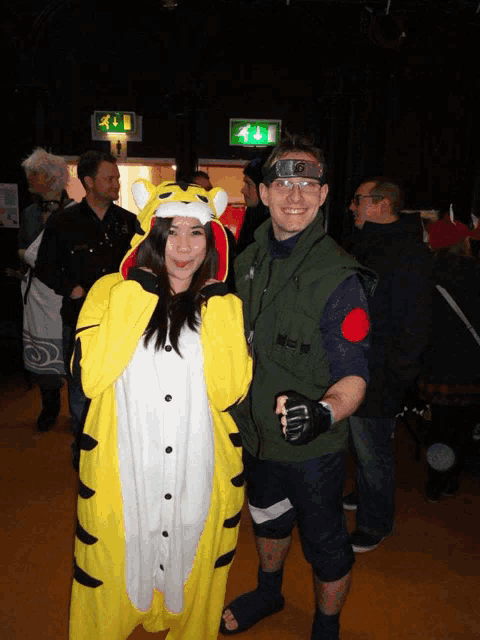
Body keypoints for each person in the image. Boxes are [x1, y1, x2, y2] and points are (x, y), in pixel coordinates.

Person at [68, 179, 252, 640]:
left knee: (190, 576)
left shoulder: (222, 305)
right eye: (172, 231)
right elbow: (91, 376)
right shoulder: (110, 292)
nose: (184, 246)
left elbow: (230, 391)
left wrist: (220, 305)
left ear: (212, 241)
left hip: (196, 471)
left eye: (197, 232)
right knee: (112, 573)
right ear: (151, 235)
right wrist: (139, 293)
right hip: (125, 472)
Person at [221, 135, 377, 640]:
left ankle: (326, 625)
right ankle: (270, 591)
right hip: (254, 438)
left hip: (313, 449)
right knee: (265, 520)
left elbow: (355, 375)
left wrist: (325, 413)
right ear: (262, 193)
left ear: (324, 193)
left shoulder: (338, 277)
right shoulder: (244, 263)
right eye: (283, 183)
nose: (294, 196)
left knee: (325, 542)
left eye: (307, 184)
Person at [342, 178, 433, 552]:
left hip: (380, 372)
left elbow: (415, 322)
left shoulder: (407, 253)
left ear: (380, 206)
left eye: (358, 200)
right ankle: (365, 495)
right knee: (362, 444)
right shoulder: (371, 244)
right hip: (359, 363)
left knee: (373, 449)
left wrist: (397, 376)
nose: (352, 207)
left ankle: (376, 522)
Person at [35, 151, 136, 467]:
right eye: (110, 177)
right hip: (80, 322)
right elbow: (44, 267)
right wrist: (71, 289)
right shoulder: (63, 223)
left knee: (122, 388)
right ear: (89, 182)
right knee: (81, 389)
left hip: (122, 323)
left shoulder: (128, 222)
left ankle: (118, 452)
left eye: (117, 177)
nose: (116, 183)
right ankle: (84, 449)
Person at [420, 215, 480, 501]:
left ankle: (436, 481)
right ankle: (453, 477)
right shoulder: (477, 271)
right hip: (473, 364)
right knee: (463, 427)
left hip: (438, 364)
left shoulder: (427, 274)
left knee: (439, 426)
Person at [18, 148, 74, 431]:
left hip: (64, 294)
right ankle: (49, 408)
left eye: (33, 175)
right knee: (42, 360)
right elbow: (20, 248)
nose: (28, 180)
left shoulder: (75, 213)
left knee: (72, 356)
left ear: (51, 178)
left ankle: (78, 412)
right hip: (36, 295)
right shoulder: (28, 213)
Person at [235, 155, 270, 255]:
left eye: (249, 184)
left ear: (263, 189)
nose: (243, 190)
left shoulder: (275, 227)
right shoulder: (251, 216)